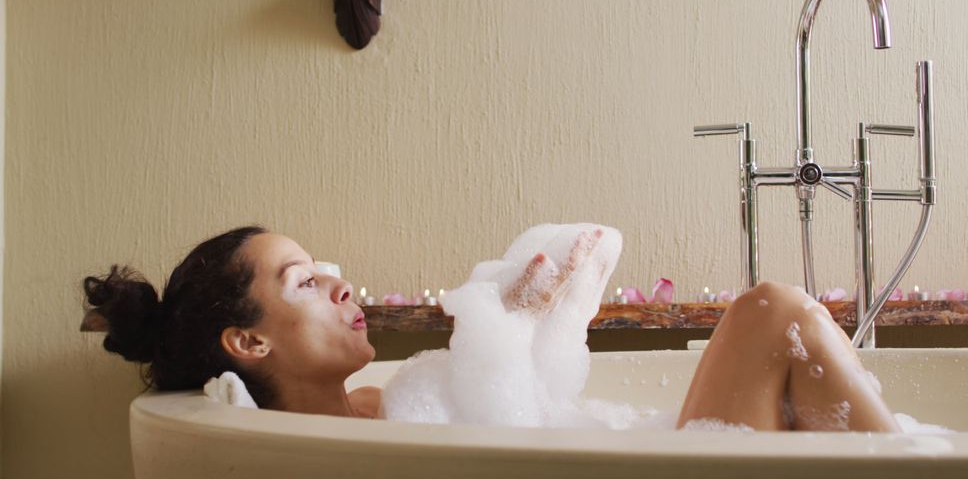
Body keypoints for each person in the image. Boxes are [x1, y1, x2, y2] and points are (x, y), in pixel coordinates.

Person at [82, 226, 899, 431]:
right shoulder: (319, 445)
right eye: (303, 281)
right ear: (248, 343)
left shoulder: (396, 403)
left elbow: (525, 416)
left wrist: (527, 327)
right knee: (772, 315)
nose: (336, 282)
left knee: (780, 327)